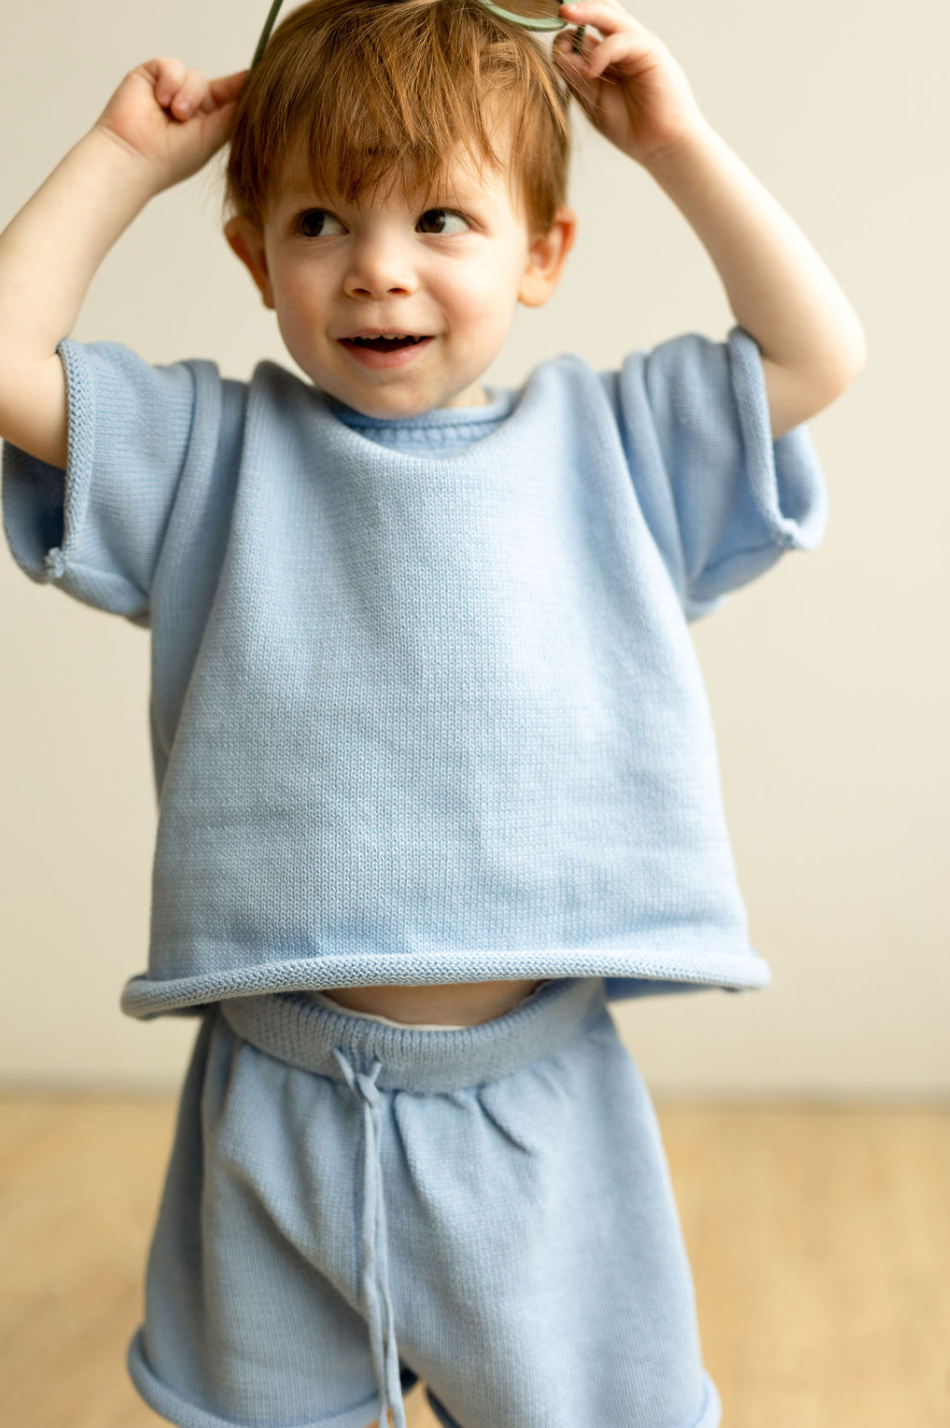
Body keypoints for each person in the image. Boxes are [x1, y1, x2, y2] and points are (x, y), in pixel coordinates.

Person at [0, 0, 865, 1424]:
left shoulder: (614, 449)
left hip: (534, 1106)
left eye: (441, 219)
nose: (376, 269)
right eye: (320, 221)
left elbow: (815, 355)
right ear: (255, 259)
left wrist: (676, 144)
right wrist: (121, 159)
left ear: (542, 254)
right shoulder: (211, 457)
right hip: (277, 1095)